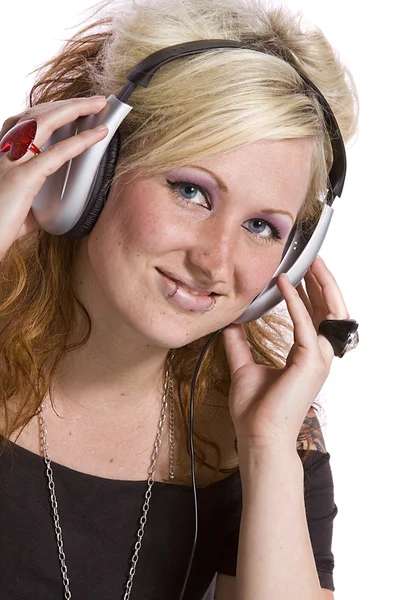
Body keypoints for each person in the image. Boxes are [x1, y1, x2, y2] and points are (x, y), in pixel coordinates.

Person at [0, 0, 359, 598]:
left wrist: (267, 449)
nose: (215, 261)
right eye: (191, 192)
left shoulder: (267, 433)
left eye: (263, 227)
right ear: (87, 174)